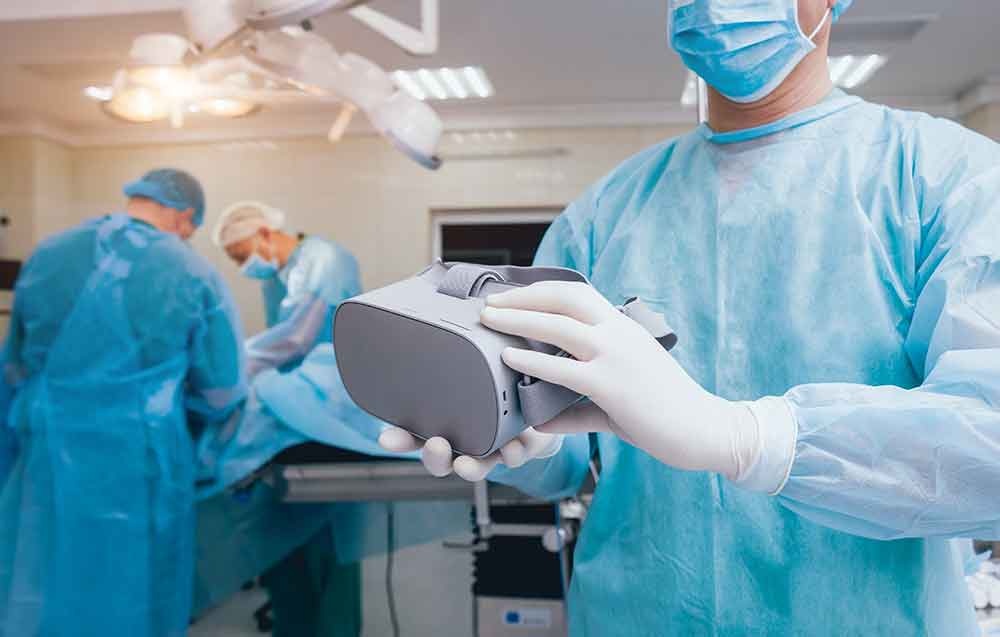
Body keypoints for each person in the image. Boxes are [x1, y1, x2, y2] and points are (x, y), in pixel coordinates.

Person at [381, 0, 1000, 634]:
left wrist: (749, 438)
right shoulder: (604, 215)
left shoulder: (944, 179)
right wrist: (525, 442)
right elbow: (569, 459)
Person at [0, 169, 246, 637]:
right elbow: (222, 391)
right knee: (136, 592)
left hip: (46, 461)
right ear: (184, 215)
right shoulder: (191, 269)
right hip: (141, 464)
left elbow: (12, 369)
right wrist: (207, 456)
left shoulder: (49, 254)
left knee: (47, 580)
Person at [213, 201, 364, 637]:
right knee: (288, 555)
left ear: (263, 233)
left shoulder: (324, 259)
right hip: (298, 415)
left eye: (243, 256)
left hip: (330, 412)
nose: (244, 267)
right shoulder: (283, 273)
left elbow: (297, 337)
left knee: (328, 559)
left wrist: (232, 365)